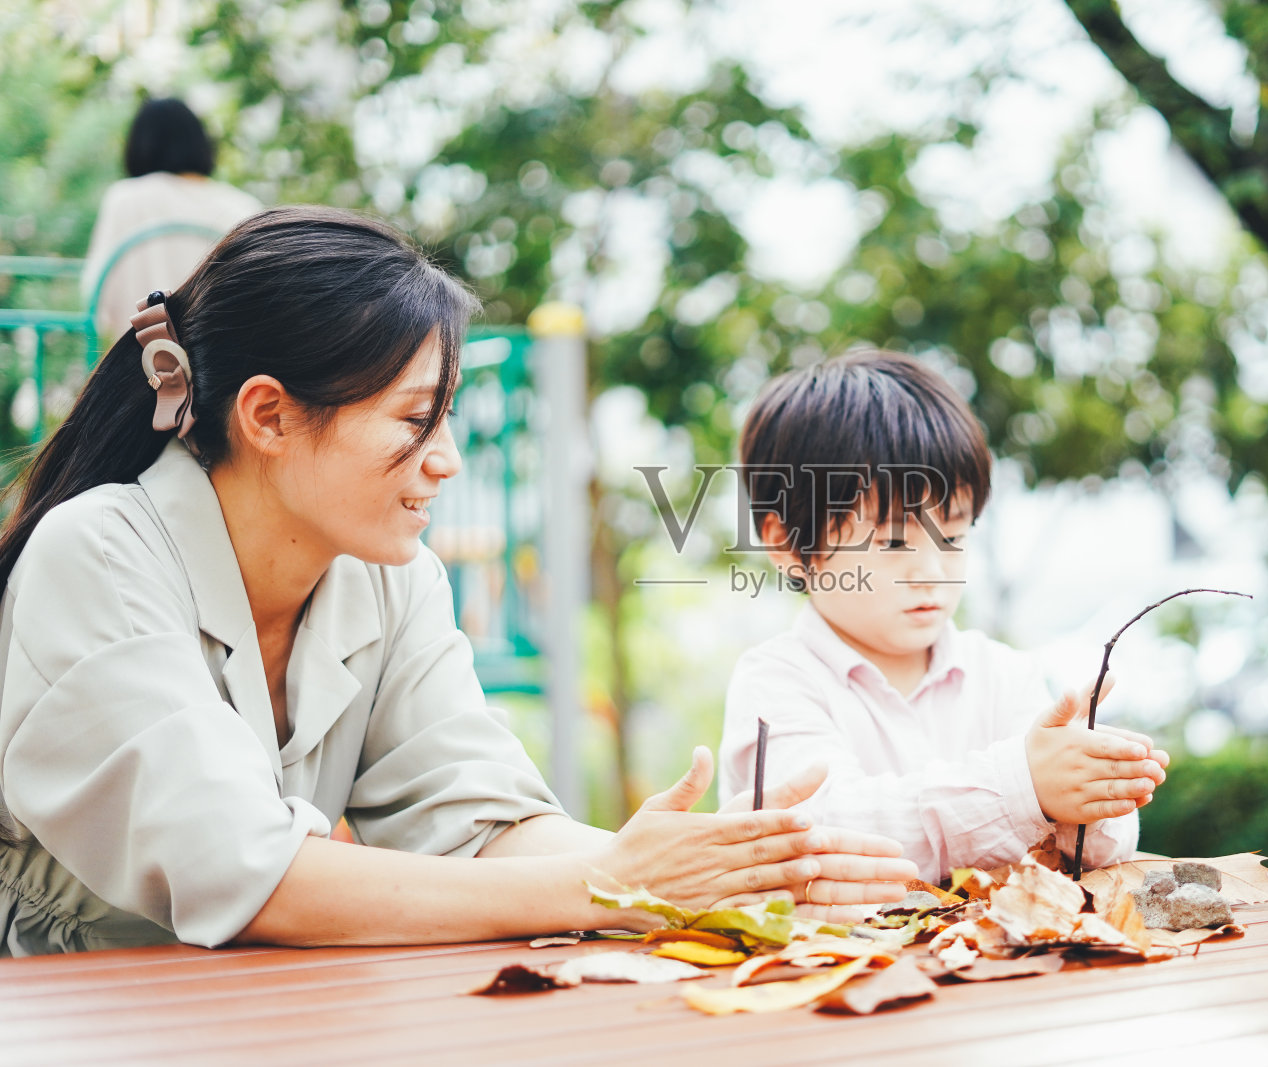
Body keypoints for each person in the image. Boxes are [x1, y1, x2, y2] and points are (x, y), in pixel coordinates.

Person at [0, 206, 915, 957]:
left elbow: (478, 819)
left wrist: (712, 871)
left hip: (257, 1003)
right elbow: (252, 872)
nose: (445, 462)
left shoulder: (391, 577)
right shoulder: (98, 555)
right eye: (413, 418)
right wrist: (620, 884)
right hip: (72, 1007)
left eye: (446, 419)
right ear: (268, 415)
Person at [718, 351, 1171, 885]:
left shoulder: (1002, 675)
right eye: (892, 540)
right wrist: (1023, 790)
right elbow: (821, 831)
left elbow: (1100, 846)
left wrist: (1091, 788)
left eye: (952, 535)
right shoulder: (775, 683)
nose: (931, 571)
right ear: (788, 545)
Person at [80, 98, 262, 345]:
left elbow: (97, 294)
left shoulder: (125, 199)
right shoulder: (241, 206)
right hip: (220, 370)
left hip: (141, 364)